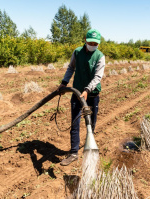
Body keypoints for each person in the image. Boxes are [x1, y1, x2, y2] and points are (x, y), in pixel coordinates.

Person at [57, 29, 105, 166]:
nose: (93, 45)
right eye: (91, 42)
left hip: (92, 94)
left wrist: (87, 90)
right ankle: (73, 153)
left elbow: (98, 77)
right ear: (85, 40)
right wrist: (64, 83)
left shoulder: (100, 56)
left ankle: (88, 149)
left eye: (96, 43)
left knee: (91, 123)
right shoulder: (77, 52)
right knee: (75, 124)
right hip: (77, 93)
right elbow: (71, 68)